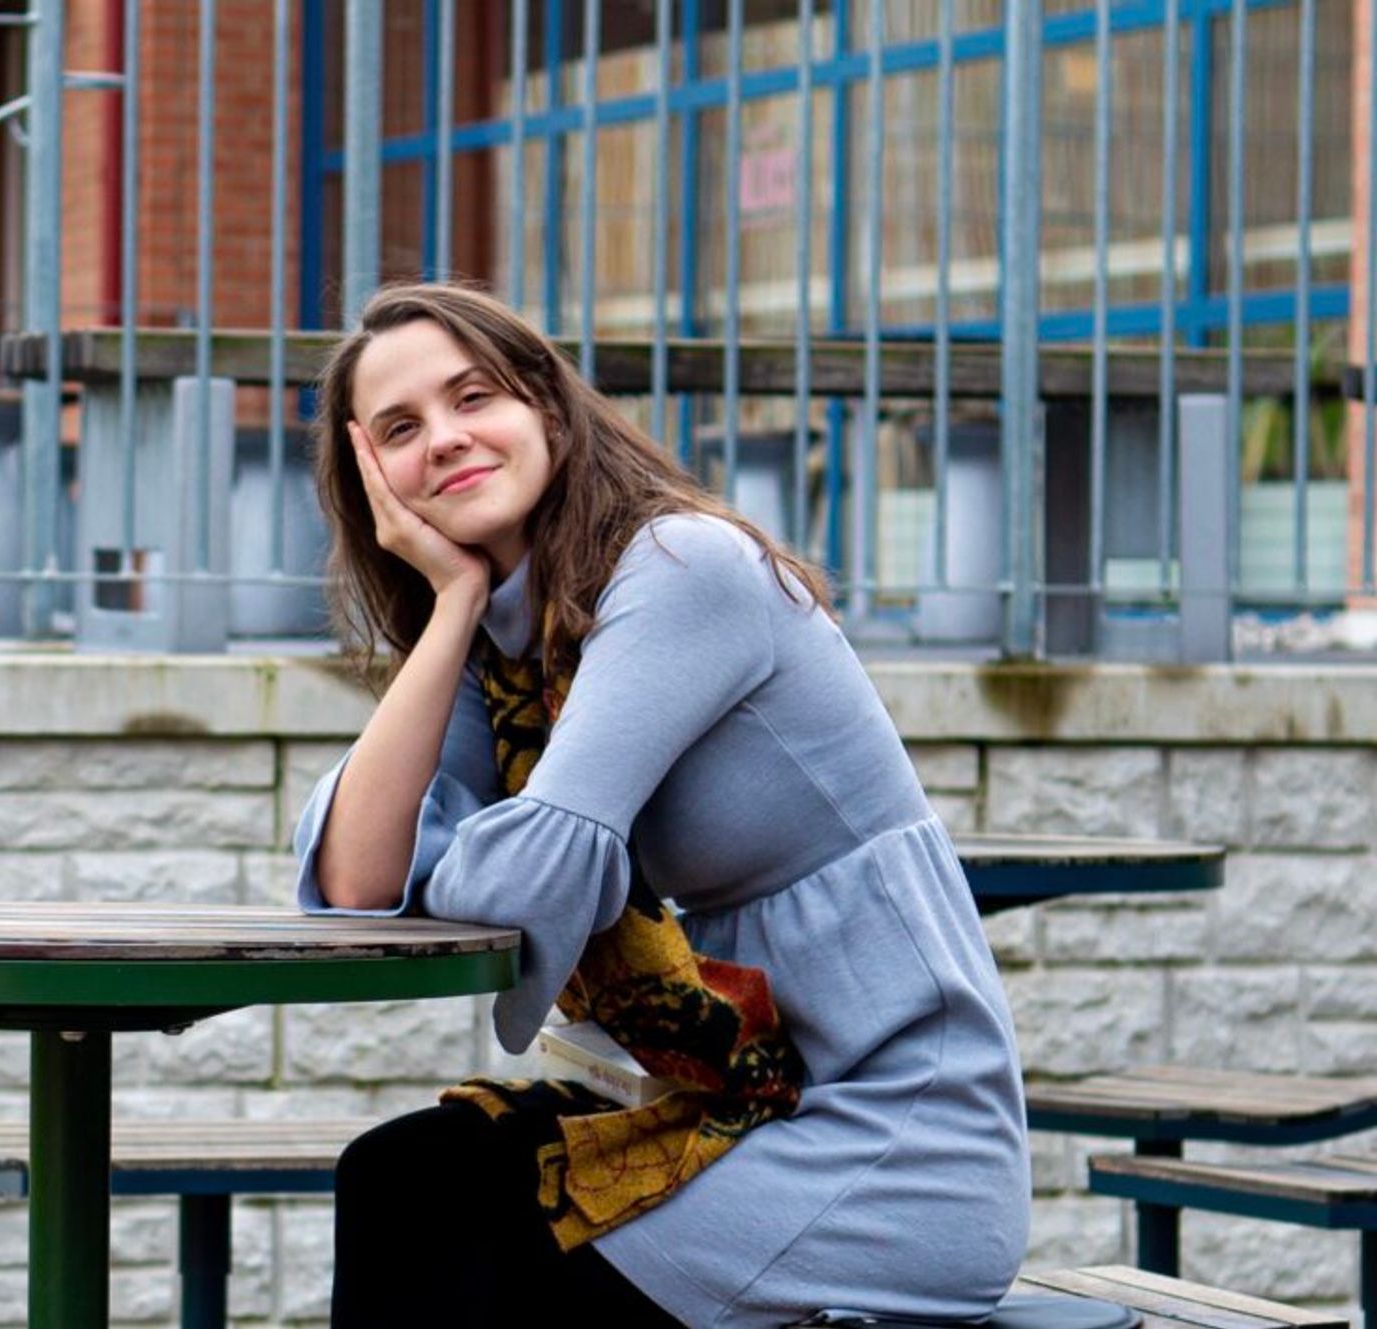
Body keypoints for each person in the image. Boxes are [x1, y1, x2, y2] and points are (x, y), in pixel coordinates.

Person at [291, 282, 1030, 1329]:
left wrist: (460, 858)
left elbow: (527, 878)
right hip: (734, 1103)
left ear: (546, 406)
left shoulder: (681, 569)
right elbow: (357, 879)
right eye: (404, 429)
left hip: (889, 1144)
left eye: (474, 398)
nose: (447, 441)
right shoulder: (506, 636)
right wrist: (451, 605)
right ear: (370, 473)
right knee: (402, 1172)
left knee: (483, 1249)